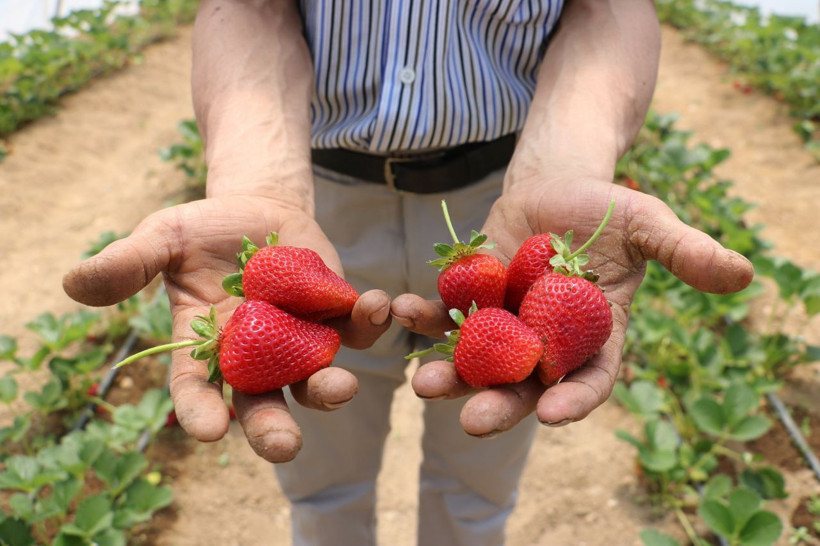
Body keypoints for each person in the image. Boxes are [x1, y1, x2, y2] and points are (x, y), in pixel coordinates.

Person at [63, 0, 755, 544]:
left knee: (476, 491)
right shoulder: (285, 253)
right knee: (321, 485)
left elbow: (606, 7)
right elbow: (248, 4)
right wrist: (255, 184)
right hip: (306, 210)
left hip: (514, 211)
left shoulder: (535, 257)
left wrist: (567, 170)